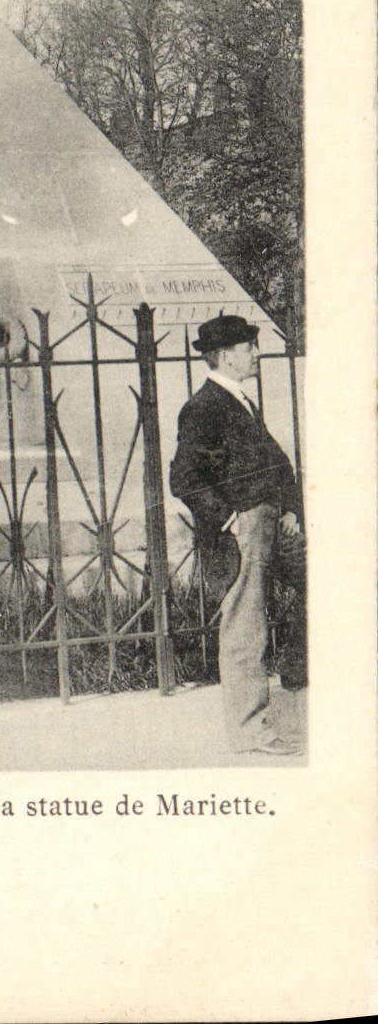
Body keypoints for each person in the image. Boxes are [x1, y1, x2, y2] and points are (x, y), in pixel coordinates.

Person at [169, 314, 307, 755]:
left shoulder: (239, 400)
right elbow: (185, 478)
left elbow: (272, 463)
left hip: (274, 524)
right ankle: (250, 730)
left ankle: (297, 679)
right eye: (249, 347)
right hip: (243, 531)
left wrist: (289, 510)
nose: (256, 353)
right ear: (226, 356)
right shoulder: (204, 406)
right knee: (245, 628)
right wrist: (230, 520)